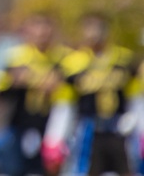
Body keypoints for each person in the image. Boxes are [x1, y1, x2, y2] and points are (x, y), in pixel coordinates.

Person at [42, 13, 142, 176]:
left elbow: (136, 100)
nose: (95, 33)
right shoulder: (72, 63)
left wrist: (141, 130)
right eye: (89, 27)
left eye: (99, 27)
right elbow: (64, 106)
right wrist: (54, 138)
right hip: (88, 130)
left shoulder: (125, 60)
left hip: (120, 129)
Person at [0, 12, 67, 176]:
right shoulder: (16, 56)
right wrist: (14, 79)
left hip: (50, 128)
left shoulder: (59, 58)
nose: (42, 32)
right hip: (19, 125)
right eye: (37, 26)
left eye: (46, 27)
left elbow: (66, 88)